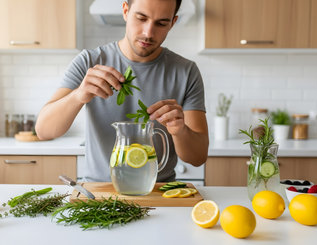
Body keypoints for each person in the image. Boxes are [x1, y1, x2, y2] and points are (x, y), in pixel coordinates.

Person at [36, 0, 208, 182]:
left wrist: (180, 131)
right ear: (126, 11)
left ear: (172, 23)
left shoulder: (186, 71)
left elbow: (197, 158)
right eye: (141, 18)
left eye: (161, 23)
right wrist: (78, 95)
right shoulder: (89, 61)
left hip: (158, 192)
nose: (148, 33)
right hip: (99, 192)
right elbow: (44, 131)